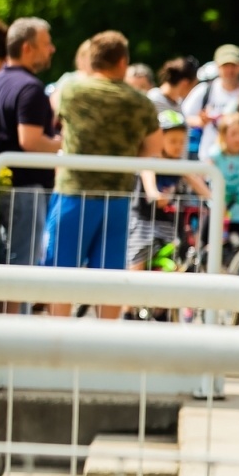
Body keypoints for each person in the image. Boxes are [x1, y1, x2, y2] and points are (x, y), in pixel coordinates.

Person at [44, 30, 162, 317]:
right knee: (110, 278)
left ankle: (56, 337)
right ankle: (106, 338)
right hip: (118, 196)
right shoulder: (140, 102)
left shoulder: (72, 91)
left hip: (73, 192)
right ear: (122, 62)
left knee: (61, 274)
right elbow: (153, 148)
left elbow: (54, 111)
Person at [0, 17, 61, 279]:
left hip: (3, 184)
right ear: (26, 48)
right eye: (46, 43)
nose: (52, 49)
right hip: (24, 190)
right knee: (22, 271)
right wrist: (64, 142)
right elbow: (30, 141)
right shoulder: (30, 88)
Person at [128, 109, 211, 272]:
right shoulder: (150, 161)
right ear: (159, 139)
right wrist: (154, 194)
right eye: (173, 141)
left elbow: (198, 185)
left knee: (178, 263)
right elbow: (148, 178)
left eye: (181, 142)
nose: (178, 146)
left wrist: (213, 198)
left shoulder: (179, 165)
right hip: (144, 223)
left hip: (169, 225)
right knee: (137, 262)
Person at [182, 44, 239, 139]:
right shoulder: (204, 89)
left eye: (233, 65)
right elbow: (182, 117)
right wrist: (201, 121)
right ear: (217, 66)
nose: (229, 70)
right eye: (225, 65)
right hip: (208, 147)